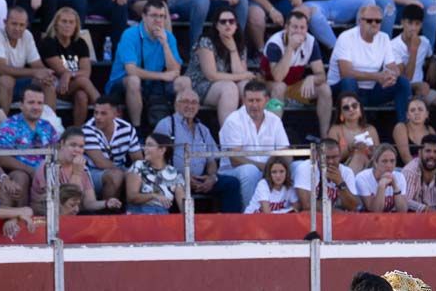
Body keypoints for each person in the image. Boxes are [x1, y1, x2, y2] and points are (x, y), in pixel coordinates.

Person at [154, 88, 243, 213]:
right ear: (176, 104)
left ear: (198, 106)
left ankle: (230, 226)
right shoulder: (166, 125)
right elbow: (158, 160)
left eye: (194, 102)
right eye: (186, 102)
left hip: (201, 180)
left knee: (231, 183)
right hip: (175, 179)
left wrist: (211, 177)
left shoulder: (203, 129)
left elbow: (211, 160)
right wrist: (183, 177)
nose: (190, 106)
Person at [106, 0, 184, 128]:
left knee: (184, 82)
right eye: (154, 16)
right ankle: (137, 129)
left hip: (153, 84)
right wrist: (162, 76)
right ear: (144, 17)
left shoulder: (168, 36)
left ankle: (179, 128)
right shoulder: (130, 34)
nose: (158, 20)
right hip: (121, 83)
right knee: (134, 81)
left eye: (162, 16)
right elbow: (131, 70)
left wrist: (165, 44)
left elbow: (175, 70)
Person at [327, 3, 412, 122]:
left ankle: (404, 126)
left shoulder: (384, 38)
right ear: (360, 21)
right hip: (342, 89)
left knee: (402, 82)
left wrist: (392, 75)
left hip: (371, 91)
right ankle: (352, 126)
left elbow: (392, 66)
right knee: (349, 81)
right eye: (369, 20)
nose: (374, 24)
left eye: (378, 21)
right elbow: (345, 73)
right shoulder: (346, 37)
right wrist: (377, 76)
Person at [219, 80, 289, 210]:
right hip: (233, 171)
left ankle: (293, 214)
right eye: (250, 101)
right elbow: (235, 159)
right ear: (244, 100)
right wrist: (266, 168)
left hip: (269, 169)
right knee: (250, 171)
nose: (254, 105)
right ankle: (250, 216)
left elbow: (286, 152)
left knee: (299, 167)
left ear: (266, 100)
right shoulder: (234, 120)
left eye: (258, 100)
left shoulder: (275, 120)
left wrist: (275, 167)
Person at [261, 10, 332, 138]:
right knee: (280, 87)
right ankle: (271, 137)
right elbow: (278, 77)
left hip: (293, 86)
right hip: (268, 85)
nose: (299, 31)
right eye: (294, 27)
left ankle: (325, 138)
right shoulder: (275, 43)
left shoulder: (310, 42)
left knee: (324, 89)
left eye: (302, 28)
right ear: (286, 28)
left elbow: (322, 75)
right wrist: (290, 48)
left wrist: (312, 77)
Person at [391, 3, 436, 132]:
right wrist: (413, 50)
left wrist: (433, 63)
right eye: (410, 23)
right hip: (403, 89)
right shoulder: (393, 46)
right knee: (418, 88)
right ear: (402, 23)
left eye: (417, 24)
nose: (413, 28)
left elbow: (430, 56)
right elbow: (405, 79)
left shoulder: (424, 41)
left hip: (422, 89)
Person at [0, 6, 56, 111]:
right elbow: (2, 69)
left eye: (22, 25)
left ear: (26, 25)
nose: (18, 28)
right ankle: (3, 126)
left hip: (14, 83)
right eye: (14, 24)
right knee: (6, 80)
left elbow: (37, 65)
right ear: (5, 22)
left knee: (46, 83)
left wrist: (45, 74)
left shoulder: (27, 36)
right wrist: (35, 72)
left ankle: (50, 124)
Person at [187, 6, 255, 127]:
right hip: (200, 84)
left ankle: (248, 133)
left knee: (246, 86)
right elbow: (211, 75)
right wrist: (243, 75)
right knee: (230, 88)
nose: (227, 24)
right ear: (217, 26)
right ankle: (229, 138)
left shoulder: (240, 44)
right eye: (223, 22)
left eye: (231, 21)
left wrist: (233, 50)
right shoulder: (206, 41)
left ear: (236, 25)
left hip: (226, 83)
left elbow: (241, 76)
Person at [30, 126, 122, 214]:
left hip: (71, 215)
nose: (77, 150)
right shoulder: (49, 166)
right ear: (62, 143)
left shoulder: (82, 167)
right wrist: (76, 174)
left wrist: (106, 203)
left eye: (81, 146)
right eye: (73, 145)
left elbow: (89, 203)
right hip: (48, 217)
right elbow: (65, 201)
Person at [0, 85, 60, 199]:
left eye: (40, 103)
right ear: (21, 105)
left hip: (46, 172)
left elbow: (58, 152)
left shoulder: (47, 126)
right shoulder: (9, 126)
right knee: (21, 177)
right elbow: (2, 158)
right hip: (19, 171)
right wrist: (30, 170)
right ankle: (24, 214)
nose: (36, 107)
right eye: (31, 102)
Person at [39, 6, 98, 125]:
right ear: (56, 24)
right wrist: (66, 74)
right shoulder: (48, 42)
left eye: (71, 22)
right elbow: (60, 71)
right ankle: (105, 108)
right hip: (54, 86)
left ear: (76, 25)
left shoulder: (80, 43)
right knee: (83, 81)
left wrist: (69, 74)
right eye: (64, 21)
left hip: (72, 86)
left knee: (81, 96)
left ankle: (77, 131)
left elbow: (86, 72)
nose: (67, 25)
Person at [83, 95, 142, 203]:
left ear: (116, 114)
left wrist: (134, 175)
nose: (98, 117)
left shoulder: (127, 128)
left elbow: (137, 159)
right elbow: (100, 162)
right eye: (96, 112)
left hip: (119, 169)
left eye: (103, 113)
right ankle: (106, 215)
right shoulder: (87, 129)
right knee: (116, 176)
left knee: (139, 174)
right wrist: (126, 175)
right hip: (92, 173)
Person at [168, 0, 249, 50]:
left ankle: (237, 49)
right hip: (179, 5)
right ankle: (196, 51)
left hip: (205, 6)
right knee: (202, 1)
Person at [303, 0, 376, 49]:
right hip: (313, 3)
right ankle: (338, 50)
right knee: (314, 14)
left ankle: (360, 44)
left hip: (337, 0)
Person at [293, 137, 360, 212]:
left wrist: (340, 183)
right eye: (326, 157)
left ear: (340, 156)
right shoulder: (306, 168)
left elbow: (353, 206)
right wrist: (337, 213)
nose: (330, 162)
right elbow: (307, 204)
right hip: (313, 217)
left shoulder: (346, 172)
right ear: (317, 156)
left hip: (338, 217)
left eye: (334, 157)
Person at [366, 0, 436, 45]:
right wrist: (405, 1)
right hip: (378, 1)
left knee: (431, 6)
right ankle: (384, 51)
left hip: (405, 3)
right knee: (388, 6)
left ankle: (429, 52)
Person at [125, 132, 185, 214]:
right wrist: (154, 195)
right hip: (138, 214)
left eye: (149, 145)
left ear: (162, 150)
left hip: (162, 217)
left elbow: (183, 205)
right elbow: (131, 197)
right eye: (145, 145)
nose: (144, 148)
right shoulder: (138, 166)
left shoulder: (175, 174)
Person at [401, 134, 436, 212]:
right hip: (414, 219)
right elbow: (405, 200)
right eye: (428, 151)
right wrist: (426, 209)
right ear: (420, 153)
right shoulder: (410, 171)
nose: (432, 155)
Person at [328, 91, 382, 174]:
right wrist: (351, 148)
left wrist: (371, 150)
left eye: (354, 106)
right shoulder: (335, 130)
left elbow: (379, 156)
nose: (351, 109)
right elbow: (331, 158)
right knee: (359, 155)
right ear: (341, 112)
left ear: (360, 108)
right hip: (344, 170)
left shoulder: (371, 129)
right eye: (346, 107)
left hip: (370, 168)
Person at [355, 142, 409, 213]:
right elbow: (375, 211)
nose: (389, 165)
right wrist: (381, 187)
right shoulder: (362, 178)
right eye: (384, 161)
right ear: (375, 163)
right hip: (368, 220)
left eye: (392, 161)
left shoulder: (399, 177)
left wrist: (395, 188)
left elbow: (403, 211)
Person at [393, 96, 436, 166]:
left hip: (429, 170)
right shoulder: (401, 127)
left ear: (427, 114)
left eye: (420, 109)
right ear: (407, 115)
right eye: (412, 110)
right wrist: (421, 173)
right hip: (404, 171)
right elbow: (405, 156)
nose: (416, 113)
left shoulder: (430, 129)